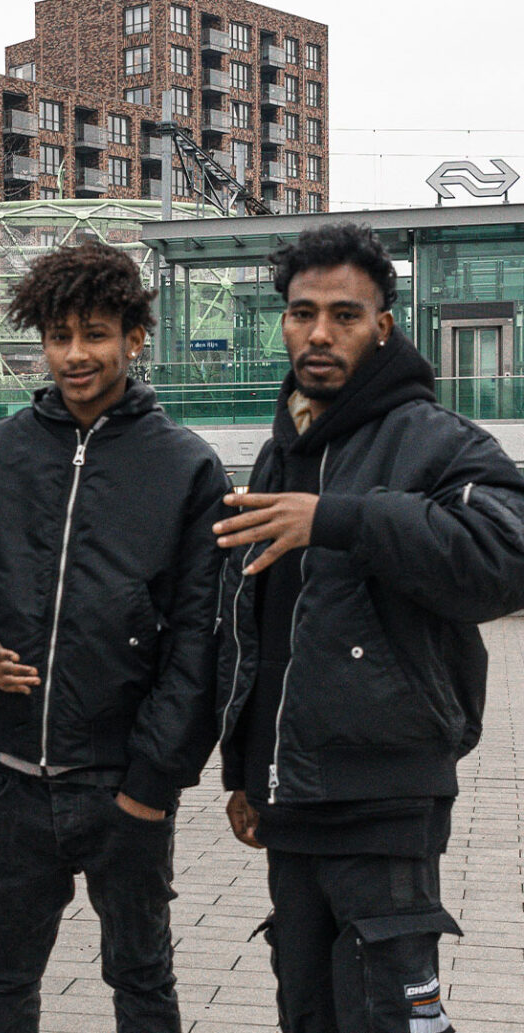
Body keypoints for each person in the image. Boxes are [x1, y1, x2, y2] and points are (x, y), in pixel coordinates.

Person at [0, 241, 227, 1033]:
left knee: (143, 980)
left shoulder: (187, 467)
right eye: (59, 335)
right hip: (12, 783)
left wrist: (150, 787)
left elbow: (201, 644)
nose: (76, 354)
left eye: (94, 333)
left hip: (124, 787)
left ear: (134, 337)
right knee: (3, 979)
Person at [214, 222, 524, 1033]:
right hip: (294, 800)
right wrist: (244, 771)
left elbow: (503, 558)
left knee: (391, 1016)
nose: (319, 332)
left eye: (345, 315)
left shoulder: (438, 440)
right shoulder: (281, 453)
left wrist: (343, 519)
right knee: (307, 1008)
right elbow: (266, 632)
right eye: (302, 311)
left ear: (383, 325)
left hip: (388, 796)